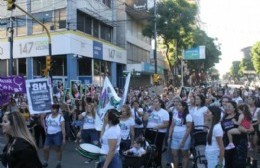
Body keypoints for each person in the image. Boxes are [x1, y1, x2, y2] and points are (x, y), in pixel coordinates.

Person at [143, 97, 169, 167]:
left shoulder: (164, 112)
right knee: (148, 147)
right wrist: (150, 110)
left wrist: (157, 127)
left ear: (160, 104)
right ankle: (148, 162)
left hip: (159, 132)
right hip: (149, 131)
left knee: (157, 148)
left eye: (156, 102)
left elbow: (166, 124)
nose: (154, 103)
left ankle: (158, 163)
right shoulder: (150, 110)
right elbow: (144, 118)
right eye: (153, 101)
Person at [221, 101, 248, 168]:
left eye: (229, 106)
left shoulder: (239, 116)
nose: (227, 108)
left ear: (234, 108)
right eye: (225, 106)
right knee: (228, 164)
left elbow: (249, 128)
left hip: (239, 145)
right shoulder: (224, 118)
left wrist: (241, 128)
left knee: (238, 164)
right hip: (228, 145)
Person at [168, 101, 192, 168]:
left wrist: (183, 141)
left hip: (184, 138)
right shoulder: (175, 114)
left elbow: (188, 129)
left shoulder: (188, 116)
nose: (177, 106)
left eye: (180, 105)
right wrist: (169, 137)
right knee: (174, 153)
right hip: (175, 138)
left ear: (184, 107)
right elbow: (172, 126)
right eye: (177, 105)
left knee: (184, 155)